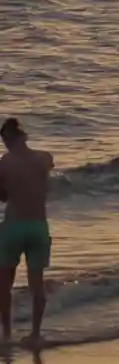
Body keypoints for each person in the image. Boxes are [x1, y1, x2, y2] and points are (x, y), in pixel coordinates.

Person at [0, 118, 54, 345]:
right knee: (37, 284)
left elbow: (2, 196)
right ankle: (35, 333)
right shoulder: (44, 158)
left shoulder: (4, 163)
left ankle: (7, 334)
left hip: (13, 226)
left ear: (9, 139)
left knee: (4, 284)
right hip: (38, 226)